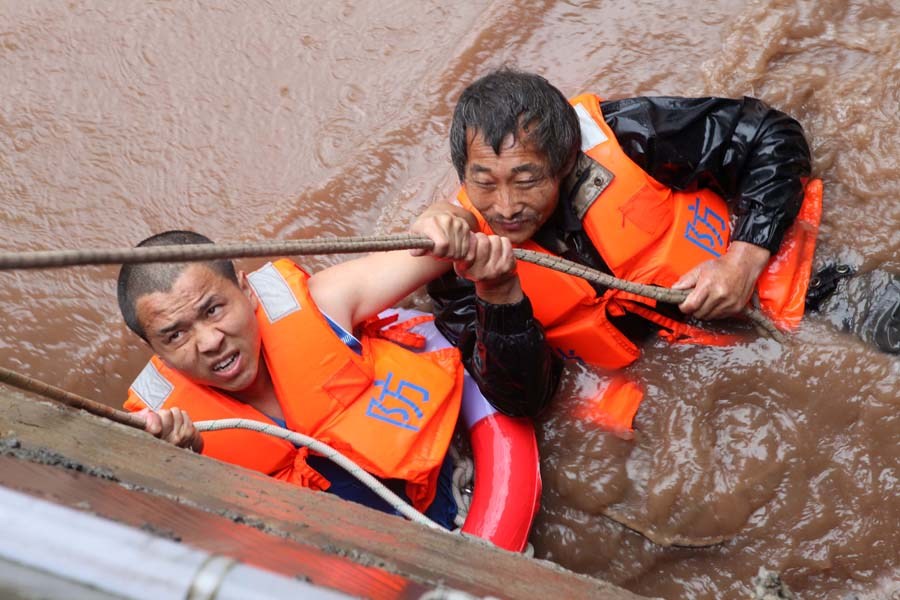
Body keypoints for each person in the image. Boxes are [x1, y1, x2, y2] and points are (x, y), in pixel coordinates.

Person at [412, 68, 820, 424]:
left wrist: (743, 260)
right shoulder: (462, 263)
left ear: (566, 162)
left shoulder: (634, 135)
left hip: (789, 295)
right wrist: (497, 295)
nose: (505, 207)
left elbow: (774, 135)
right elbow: (521, 401)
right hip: (673, 391)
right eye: (484, 183)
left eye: (526, 181)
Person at [118, 228, 519, 529]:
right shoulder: (159, 431)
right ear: (156, 352)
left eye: (213, 310)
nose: (209, 342)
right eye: (175, 335)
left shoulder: (323, 303)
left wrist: (444, 220)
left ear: (246, 289)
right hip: (349, 575)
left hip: (452, 503)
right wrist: (181, 468)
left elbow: (442, 246)